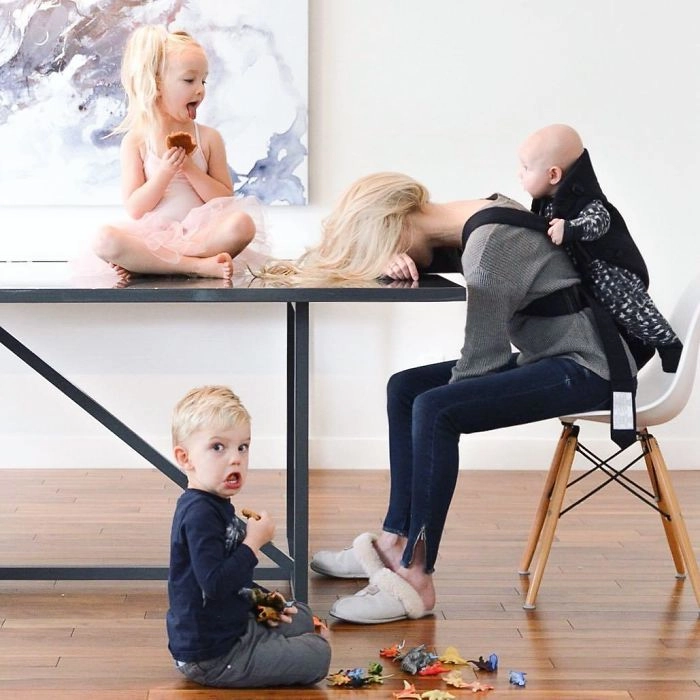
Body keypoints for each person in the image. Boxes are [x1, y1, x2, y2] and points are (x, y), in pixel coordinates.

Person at [288, 171, 630, 624]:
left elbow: (481, 363)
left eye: (380, 243)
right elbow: (449, 258)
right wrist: (389, 259)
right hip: (552, 353)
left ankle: (415, 575)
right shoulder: (486, 212)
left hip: (589, 366)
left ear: (396, 225)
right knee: (405, 388)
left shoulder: (490, 246)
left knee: (435, 409)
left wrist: (432, 424)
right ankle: (394, 541)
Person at [167, 385, 330, 687]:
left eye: (243, 447)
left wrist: (263, 600)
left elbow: (232, 578)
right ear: (185, 458)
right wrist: (253, 543)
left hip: (233, 623)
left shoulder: (215, 504)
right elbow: (215, 584)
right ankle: (263, 651)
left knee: (302, 615)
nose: (236, 459)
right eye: (218, 447)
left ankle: (269, 645)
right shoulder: (199, 515)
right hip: (214, 654)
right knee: (319, 654)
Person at [91, 26, 269, 281]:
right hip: (154, 238)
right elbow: (135, 208)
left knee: (243, 224)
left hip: (200, 237)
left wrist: (189, 169)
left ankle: (151, 265)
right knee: (104, 240)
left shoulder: (208, 138)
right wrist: (164, 173)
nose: (200, 90)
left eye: (203, 81)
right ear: (157, 85)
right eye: (189, 80)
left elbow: (223, 199)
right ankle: (196, 266)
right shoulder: (137, 141)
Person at [518, 123, 682, 372]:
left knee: (631, 308)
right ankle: (634, 350)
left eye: (526, 168)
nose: (519, 174)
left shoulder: (585, 198)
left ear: (553, 175)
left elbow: (599, 221)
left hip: (610, 270)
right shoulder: (547, 202)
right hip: (586, 274)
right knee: (605, 321)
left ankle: (669, 345)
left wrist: (570, 228)